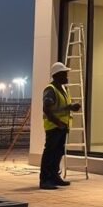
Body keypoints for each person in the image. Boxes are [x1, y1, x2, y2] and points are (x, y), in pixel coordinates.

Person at [40, 62, 81, 190]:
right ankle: (45, 180)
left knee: (58, 152)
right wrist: (58, 123)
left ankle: (54, 176)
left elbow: (61, 107)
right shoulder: (50, 89)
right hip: (54, 127)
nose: (67, 77)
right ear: (57, 75)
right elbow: (46, 109)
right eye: (64, 74)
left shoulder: (63, 89)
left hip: (62, 127)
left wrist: (71, 107)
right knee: (50, 152)